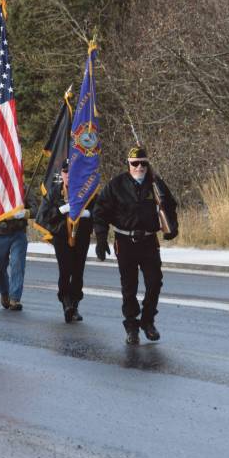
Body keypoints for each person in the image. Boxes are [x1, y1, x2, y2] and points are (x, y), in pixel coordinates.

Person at [93, 146, 179, 345]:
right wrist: (101, 238)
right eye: (135, 163)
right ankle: (131, 326)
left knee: (155, 282)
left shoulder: (156, 184)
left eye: (143, 163)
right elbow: (100, 212)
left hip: (149, 241)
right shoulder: (116, 185)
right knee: (129, 287)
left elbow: (170, 206)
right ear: (128, 164)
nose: (139, 167)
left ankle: (148, 321)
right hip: (125, 241)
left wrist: (172, 227)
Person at [37, 159, 93, 322]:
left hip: (81, 237)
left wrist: (88, 214)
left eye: (72, 171)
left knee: (78, 272)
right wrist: (62, 209)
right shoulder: (54, 192)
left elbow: (99, 211)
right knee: (65, 270)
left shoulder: (87, 192)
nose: (69, 175)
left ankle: (74, 304)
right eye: (66, 172)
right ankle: (66, 303)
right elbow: (44, 216)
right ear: (62, 174)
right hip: (61, 237)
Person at [0, 187, 30, 312]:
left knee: (17, 263)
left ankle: (15, 298)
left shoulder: (23, 187)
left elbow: (35, 208)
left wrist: (24, 213)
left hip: (18, 233)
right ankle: (5, 293)